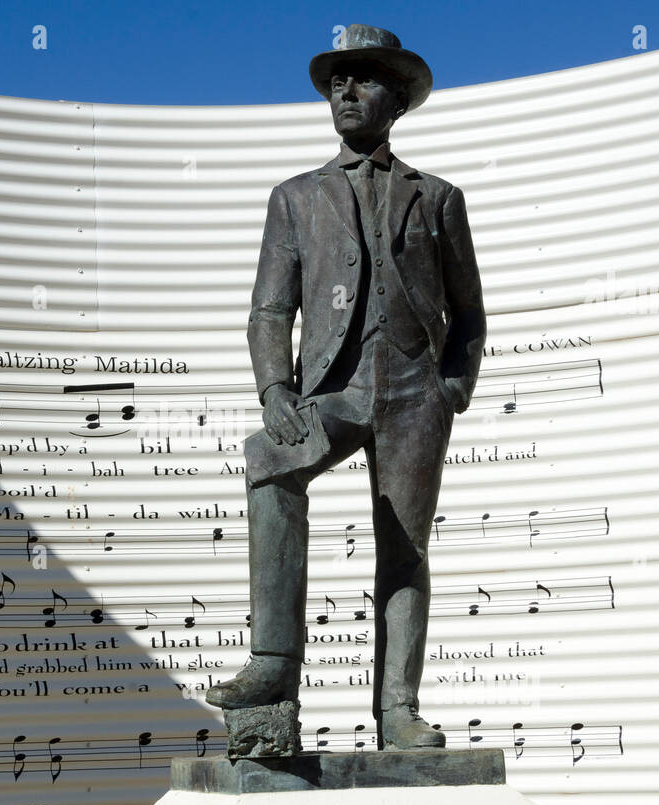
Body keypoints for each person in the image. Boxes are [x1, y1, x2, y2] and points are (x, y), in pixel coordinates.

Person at [205, 25, 486, 750]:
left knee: (405, 545)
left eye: (363, 80)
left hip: (416, 392)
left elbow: (470, 314)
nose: (347, 91)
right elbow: (269, 310)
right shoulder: (296, 198)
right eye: (338, 81)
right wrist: (274, 389)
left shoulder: (439, 198)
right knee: (270, 460)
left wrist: (453, 385)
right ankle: (273, 663)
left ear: (395, 99)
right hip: (333, 388)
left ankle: (398, 708)